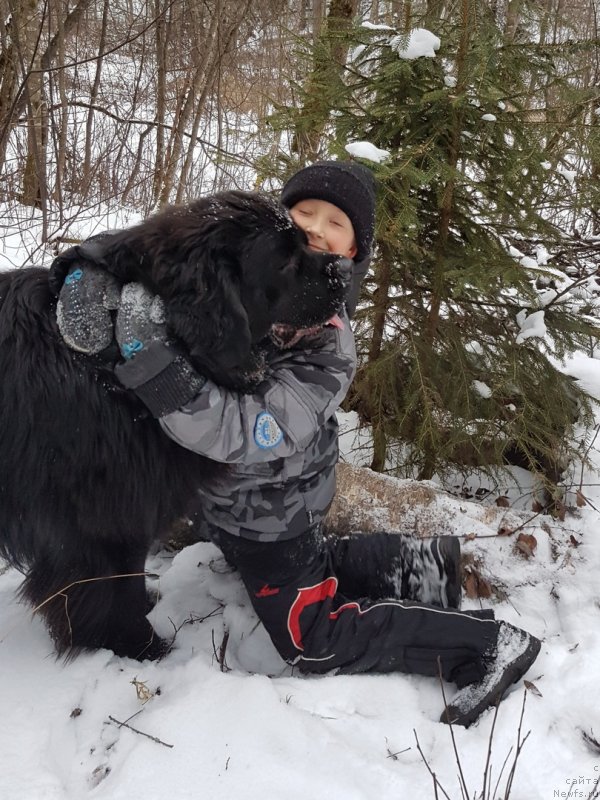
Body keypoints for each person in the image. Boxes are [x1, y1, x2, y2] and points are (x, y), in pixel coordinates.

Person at [52, 160, 541, 727]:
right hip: (226, 510)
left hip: (275, 519)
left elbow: (246, 430)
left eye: (335, 221)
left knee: (310, 639)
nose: (314, 225)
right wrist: (85, 266)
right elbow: (179, 239)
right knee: (301, 565)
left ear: (356, 251)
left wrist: (156, 372)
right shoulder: (255, 259)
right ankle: (432, 568)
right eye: (304, 210)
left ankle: (483, 645)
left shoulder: (328, 345)